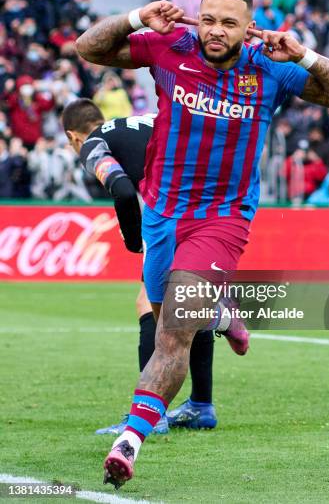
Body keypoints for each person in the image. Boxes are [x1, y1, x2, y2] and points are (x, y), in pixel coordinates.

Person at [75, 0, 329, 489]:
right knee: (165, 310)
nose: (215, 30)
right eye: (208, 18)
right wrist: (136, 16)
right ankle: (221, 313)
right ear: (197, 18)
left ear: (246, 26)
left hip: (221, 220)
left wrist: (308, 55)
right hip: (162, 214)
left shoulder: (269, 68)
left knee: (172, 334)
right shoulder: (169, 47)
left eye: (228, 22)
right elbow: (88, 48)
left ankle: (130, 441)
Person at [62, 99, 219, 433]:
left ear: (72, 136)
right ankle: (201, 406)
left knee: (148, 302)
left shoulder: (93, 143)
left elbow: (120, 188)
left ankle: (154, 414)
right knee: (194, 302)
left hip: (174, 208)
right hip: (215, 203)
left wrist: (133, 240)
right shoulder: (136, 122)